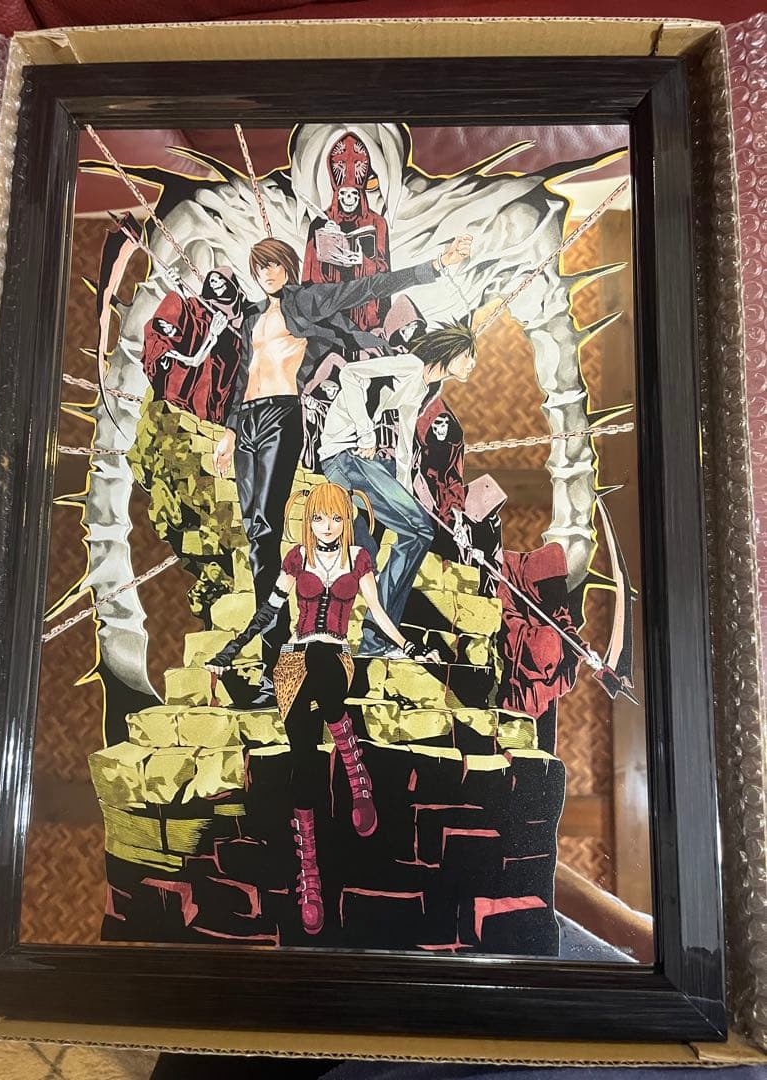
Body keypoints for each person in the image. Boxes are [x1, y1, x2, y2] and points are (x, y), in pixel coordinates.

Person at [211, 234, 472, 704]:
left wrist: (435, 264)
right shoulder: (252, 317)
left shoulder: (305, 301)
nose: (267, 274)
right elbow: (243, 374)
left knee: (268, 533)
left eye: (273, 265)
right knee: (256, 538)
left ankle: (277, 667)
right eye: (259, 267)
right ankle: (283, 661)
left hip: (280, 418)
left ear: (288, 266)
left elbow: (366, 287)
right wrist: (230, 430)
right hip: (249, 423)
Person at [205, 483, 420, 935]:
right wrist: (229, 651)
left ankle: (354, 768)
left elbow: (378, 612)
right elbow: (268, 612)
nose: (327, 526)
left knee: (322, 656)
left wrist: (409, 646)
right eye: (319, 518)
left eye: (336, 518)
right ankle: (310, 876)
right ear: (308, 521)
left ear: (347, 521)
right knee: (302, 760)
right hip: (292, 663)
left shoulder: (358, 559)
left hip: (335, 658)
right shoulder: (296, 559)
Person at [318, 321, 478, 657]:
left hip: (357, 461)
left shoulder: (424, 387)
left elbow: (405, 442)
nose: (472, 363)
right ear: (451, 352)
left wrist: (405, 494)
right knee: (419, 530)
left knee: (419, 530)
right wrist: (366, 432)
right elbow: (349, 374)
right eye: (468, 355)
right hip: (344, 456)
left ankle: (377, 637)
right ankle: (376, 639)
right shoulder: (411, 365)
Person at [301, 131, 390, 333]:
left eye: (353, 194)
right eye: (343, 194)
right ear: (336, 194)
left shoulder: (377, 223)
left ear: (361, 194)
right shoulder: (319, 223)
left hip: (364, 312)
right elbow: (308, 278)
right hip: (330, 314)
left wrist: (361, 261)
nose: (348, 199)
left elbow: (385, 274)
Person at [142, 266, 244, 424]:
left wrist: (178, 286)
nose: (215, 283)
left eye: (220, 279)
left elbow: (186, 318)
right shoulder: (160, 342)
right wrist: (213, 335)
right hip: (186, 378)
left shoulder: (241, 312)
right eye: (212, 280)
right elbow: (189, 319)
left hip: (218, 360)